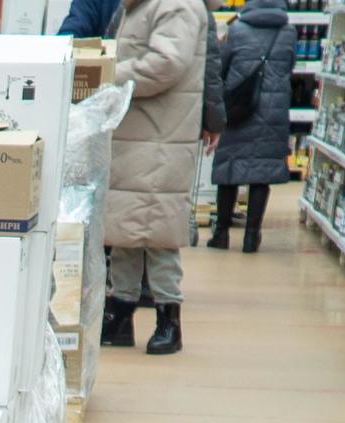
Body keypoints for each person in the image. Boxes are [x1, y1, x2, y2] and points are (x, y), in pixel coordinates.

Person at [99, 0, 214, 356]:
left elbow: (166, 63)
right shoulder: (140, 6)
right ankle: (120, 312)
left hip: (159, 134)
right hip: (137, 133)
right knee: (124, 226)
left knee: (158, 228)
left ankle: (169, 318)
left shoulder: (175, 5)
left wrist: (109, 73)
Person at [205, 3, 298, 251]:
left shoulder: (238, 29)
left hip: (239, 107)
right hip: (274, 108)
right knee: (262, 173)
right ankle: (251, 237)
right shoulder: (288, 31)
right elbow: (290, 65)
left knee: (229, 168)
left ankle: (222, 234)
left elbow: (222, 66)